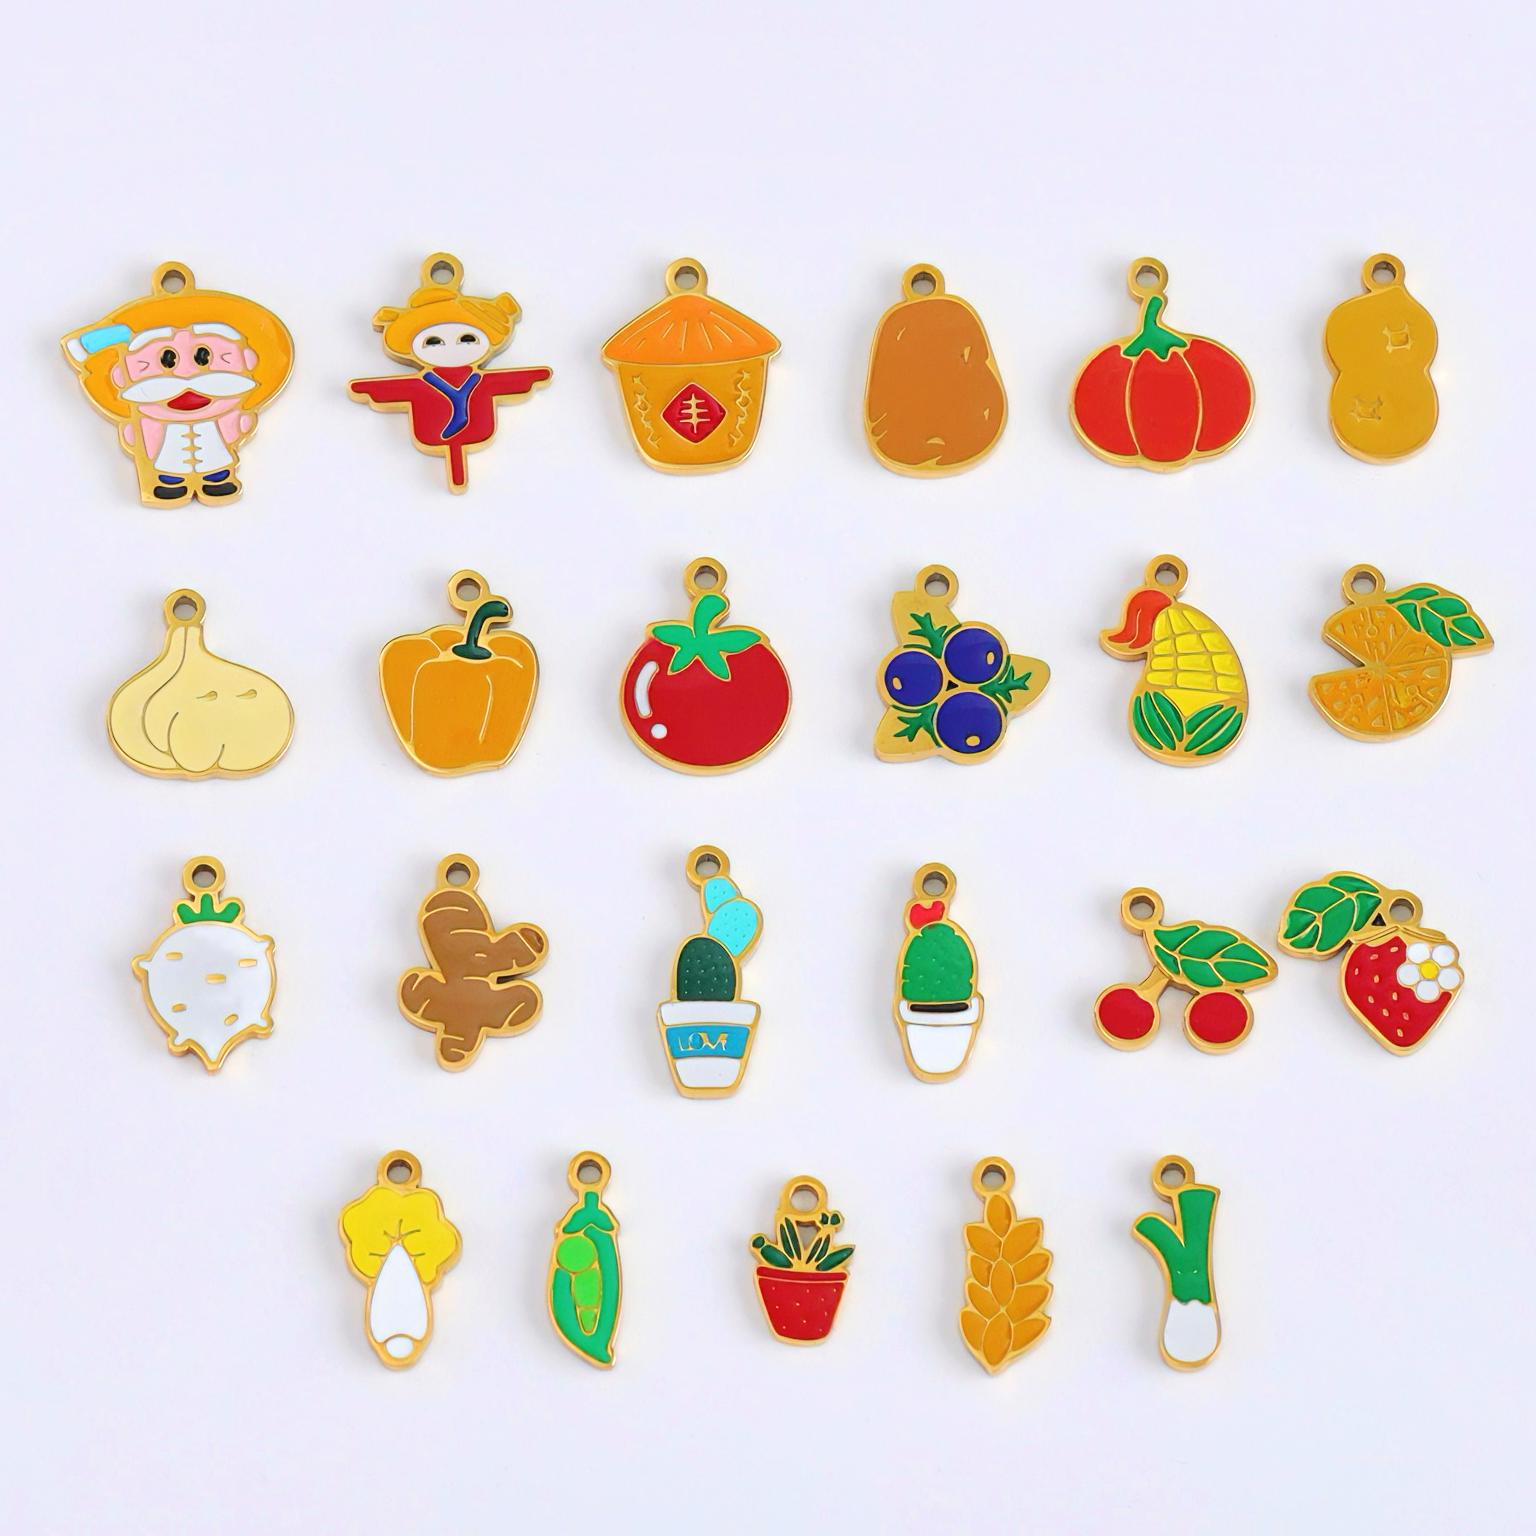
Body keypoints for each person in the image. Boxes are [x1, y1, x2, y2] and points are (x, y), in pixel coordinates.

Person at [61, 263, 293, 506]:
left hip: (216, 452)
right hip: (165, 457)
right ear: (121, 375)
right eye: (167, 360)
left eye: (203, 357)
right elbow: (142, 439)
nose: (185, 376)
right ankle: (170, 483)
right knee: (169, 463)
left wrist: (238, 423)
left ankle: (217, 480)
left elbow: (235, 425)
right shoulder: (148, 418)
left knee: (215, 460)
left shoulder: (226, 406)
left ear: (247, 360)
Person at [349, 253, 552, 492]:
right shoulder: (424, 382)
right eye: (433, 342)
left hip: (477, 425)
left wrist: (533, 376)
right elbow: (399, 389)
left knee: (458, 454)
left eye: (468, 339)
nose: (450, 347)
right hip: (433, 428)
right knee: (452, 457)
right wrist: (367, 388)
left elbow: (504, 382)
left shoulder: (477, 380)